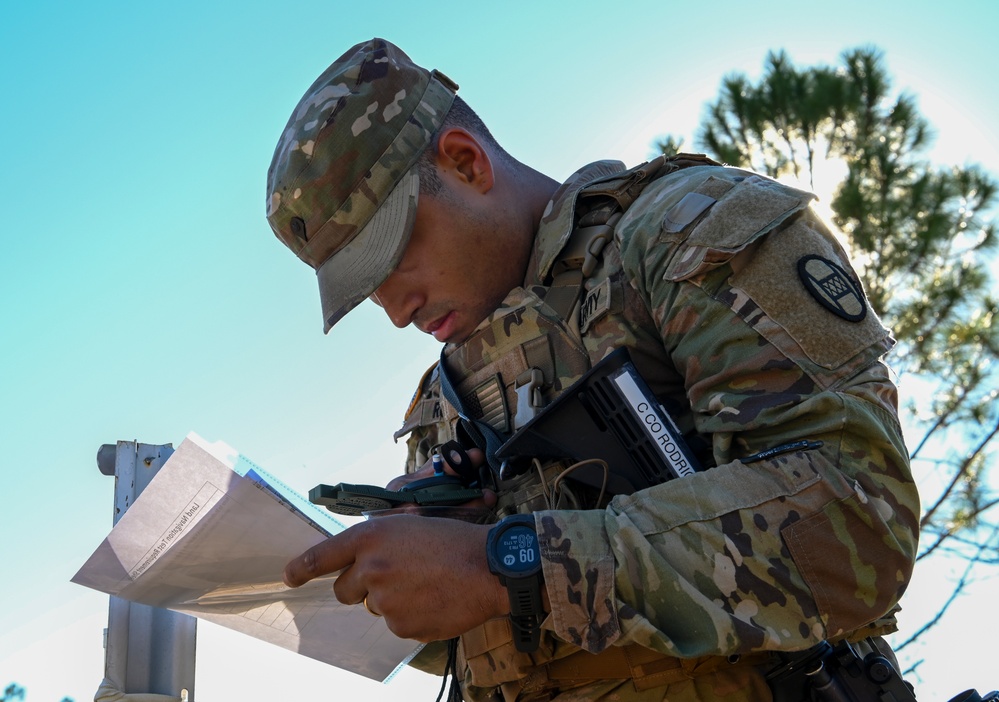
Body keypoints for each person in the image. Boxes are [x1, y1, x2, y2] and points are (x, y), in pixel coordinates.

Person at [266, 38, 919, 702]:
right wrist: (424, 563)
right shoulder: (444, 399)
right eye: (365, 291)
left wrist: (509, 563)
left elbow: (857, 526)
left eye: (393, 258)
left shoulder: (683, 238)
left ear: (465, 162)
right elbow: (480, 644)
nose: (395, 312)